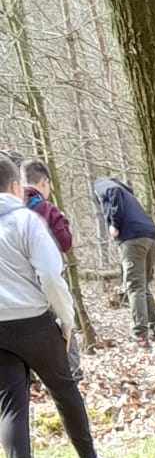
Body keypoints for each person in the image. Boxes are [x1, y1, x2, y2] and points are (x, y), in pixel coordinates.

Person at [0, 154, 116, 458]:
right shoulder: (26, 221)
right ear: (15, 187)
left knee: (11, 403)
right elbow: (51, 275)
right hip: (34, 320)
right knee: (63, 388)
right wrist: (67, 320)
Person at [23, 162, 81, 381]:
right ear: (44, 182)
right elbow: (65, 243)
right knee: (64, 320)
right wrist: (65, 224)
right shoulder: (47, 209)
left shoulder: (13, 209)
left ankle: (32, 376)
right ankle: (72, 371)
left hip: (21, 283)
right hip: (49, 276)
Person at [92, 175, 155, 341]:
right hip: (150, 235)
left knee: (134, 286)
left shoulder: (101, 184)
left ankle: (140, 334)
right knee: (143, 286)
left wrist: (114, 223)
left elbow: (113, 191)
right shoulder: (128, 193)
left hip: (133, 238)